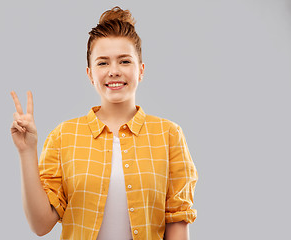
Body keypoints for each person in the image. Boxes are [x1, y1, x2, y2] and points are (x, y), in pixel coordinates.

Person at [10, 6, 198, 240]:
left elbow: (177, 224)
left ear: (141, 70)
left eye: (124, 61)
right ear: (90, 74)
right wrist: (27, 151)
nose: (114, 71)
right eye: (103, 63)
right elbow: (40, 225)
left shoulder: (169, 135)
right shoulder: (63, 136)